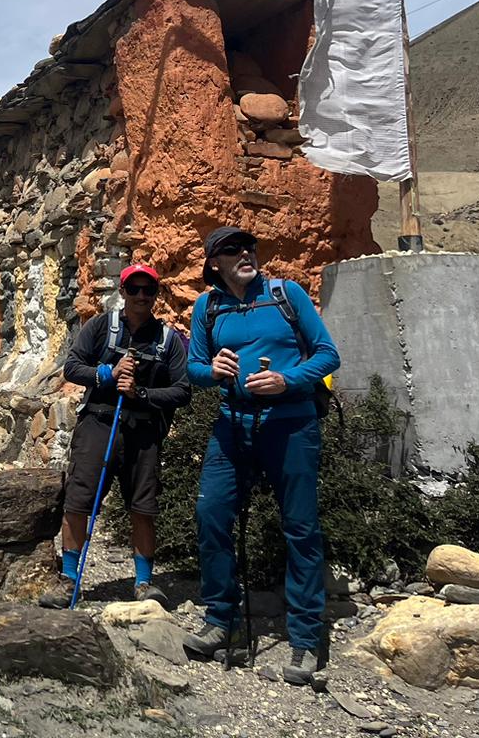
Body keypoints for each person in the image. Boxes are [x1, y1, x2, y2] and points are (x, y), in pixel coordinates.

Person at [181, 225, 338, 687]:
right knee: (210, 513)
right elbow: (192, 368)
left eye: (249, 247)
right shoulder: (208, 307)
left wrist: (286, 380)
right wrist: (211, 371)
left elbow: (328, 355)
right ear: (215, 263)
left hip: (290, 423)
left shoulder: (286, 294)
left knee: (300, 526)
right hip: (233, 423)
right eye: (232, 250)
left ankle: (306, 639)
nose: (245, 254)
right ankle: (220, 618)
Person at [41, 263, 190, 609]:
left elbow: (182, 391)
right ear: (122, 292)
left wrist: (143, 395)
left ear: (155, 294)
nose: (141, 295)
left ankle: (143, 584)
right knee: (79, 501)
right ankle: (68, 579)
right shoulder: (99, 327)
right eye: (134, 289)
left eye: (148, 290)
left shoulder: (168, 340)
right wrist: (109, 373)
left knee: (143, 507)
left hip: (144, 431)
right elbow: (73, 367)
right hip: (99, 424)